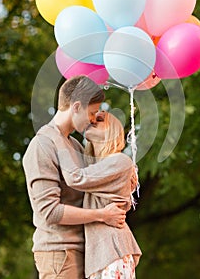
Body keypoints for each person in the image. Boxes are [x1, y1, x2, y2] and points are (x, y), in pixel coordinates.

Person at [22, 76, 127, 279]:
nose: (93, 119)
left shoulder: (75, 146)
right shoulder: (43, 145)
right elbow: (50, 212)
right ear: (77, 106)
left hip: (84, 252)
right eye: (92, 112)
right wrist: (102, 215)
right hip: (60, 252)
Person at [58, 111, 142, 279]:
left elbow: (75, 178)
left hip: (113, 251)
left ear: (113, 130)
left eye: (100, 119)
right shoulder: (97, 166)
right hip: (101, 255)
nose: (92, 120)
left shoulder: (120, 161)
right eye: (92, 118)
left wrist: (57, 137)